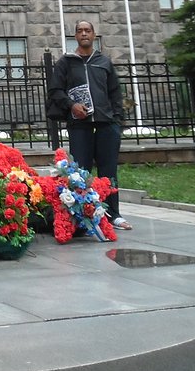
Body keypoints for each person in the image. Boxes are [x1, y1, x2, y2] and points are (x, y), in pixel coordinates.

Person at [47, 20, 133, 230]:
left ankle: (114, 214)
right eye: (79, 31)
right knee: (81, 173)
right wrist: (71, 105)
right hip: (80, 126)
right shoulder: (66, 62)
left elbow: (115, 92)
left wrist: (116, 120)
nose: (84, 33)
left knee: (108, 172)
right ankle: (84, 217)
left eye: (87, 30)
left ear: (94, 35)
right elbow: (55, 91)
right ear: (75, 36)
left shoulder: (103, 61)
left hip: (106, 125)